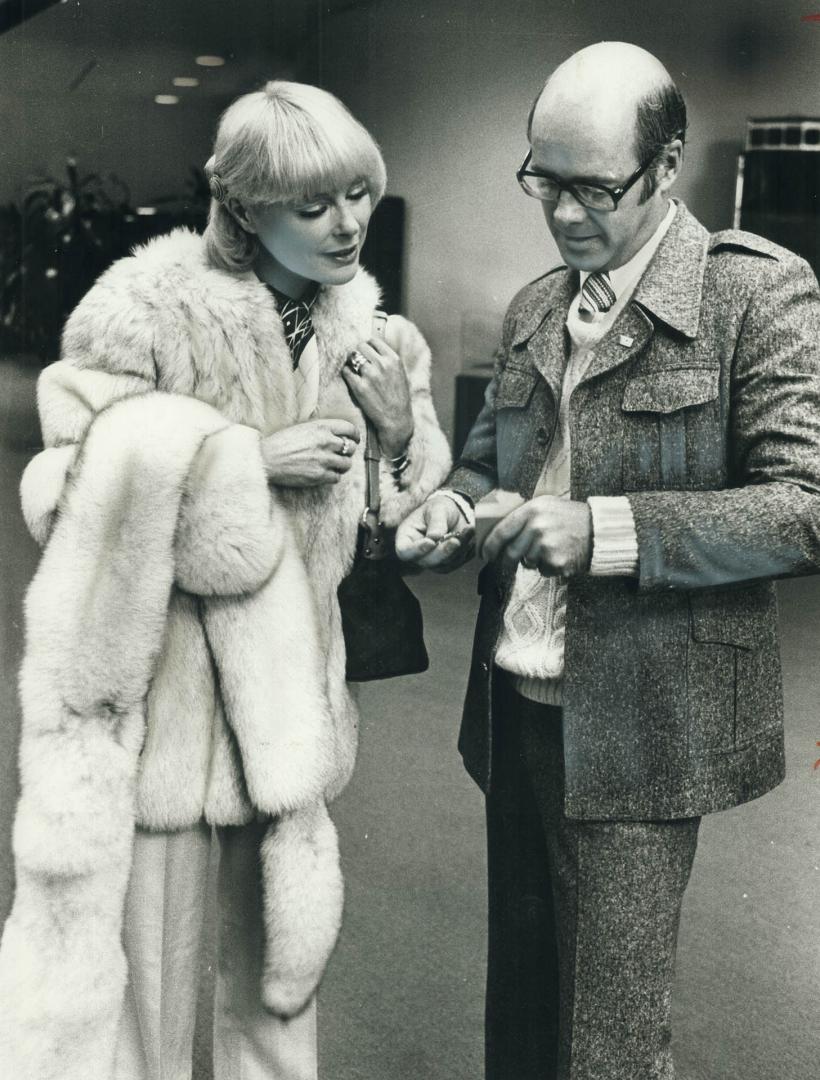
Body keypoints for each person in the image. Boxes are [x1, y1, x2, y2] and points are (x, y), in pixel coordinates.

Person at [0, 81, 450, 1080]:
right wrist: (243, 461)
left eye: (358, 196)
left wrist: (399, 436)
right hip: (167, 715)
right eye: (312, 203)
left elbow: (406, 521)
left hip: (291, 718)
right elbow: (62, 491)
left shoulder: (378, 339)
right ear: (242, 207)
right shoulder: (145, 308)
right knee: (153, 987)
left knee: (281, 984)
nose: (346, 227)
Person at [397, 41, 820, 1080]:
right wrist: (449, 513)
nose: (566, 214)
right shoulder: (540, 306)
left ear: (667, 165)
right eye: (546, 183)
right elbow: (495, 463)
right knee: (526, 1011)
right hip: (516, 709)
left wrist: (606, 533)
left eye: (596, 189)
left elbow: (804, 507)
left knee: (611, 1038)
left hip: (644, 720)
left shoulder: (751, 297)